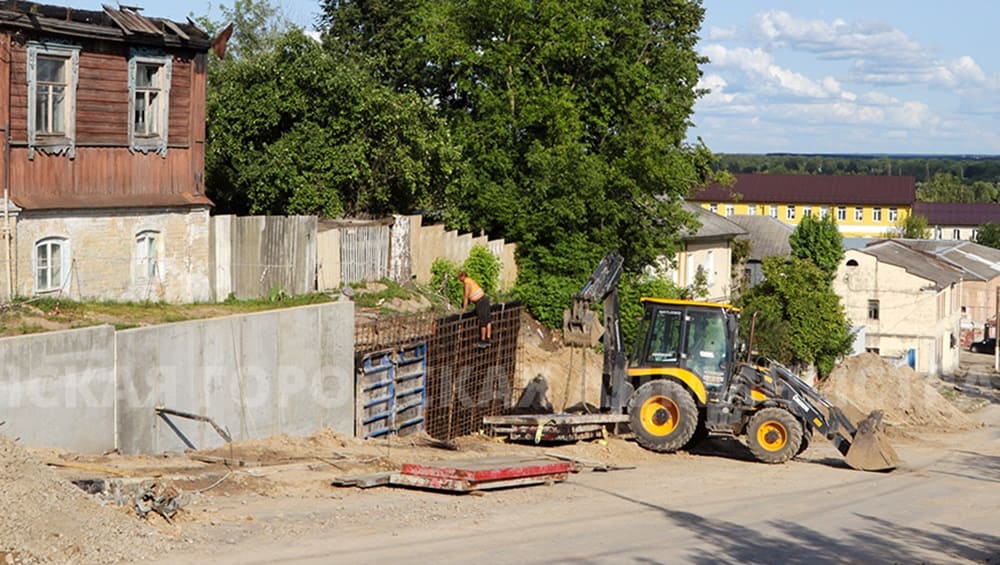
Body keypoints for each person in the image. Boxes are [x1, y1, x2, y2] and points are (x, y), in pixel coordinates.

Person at [458, 271, 492, 347]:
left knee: (483, 321)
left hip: (480, 302)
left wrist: (464, 309)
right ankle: (488, 338)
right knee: (487, 320)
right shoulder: (471, 280)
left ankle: (483, 340)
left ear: (463, 276)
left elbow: (466, 296)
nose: (459, 280)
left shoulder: (467, 282)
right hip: (485, 299)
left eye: (459, 277)